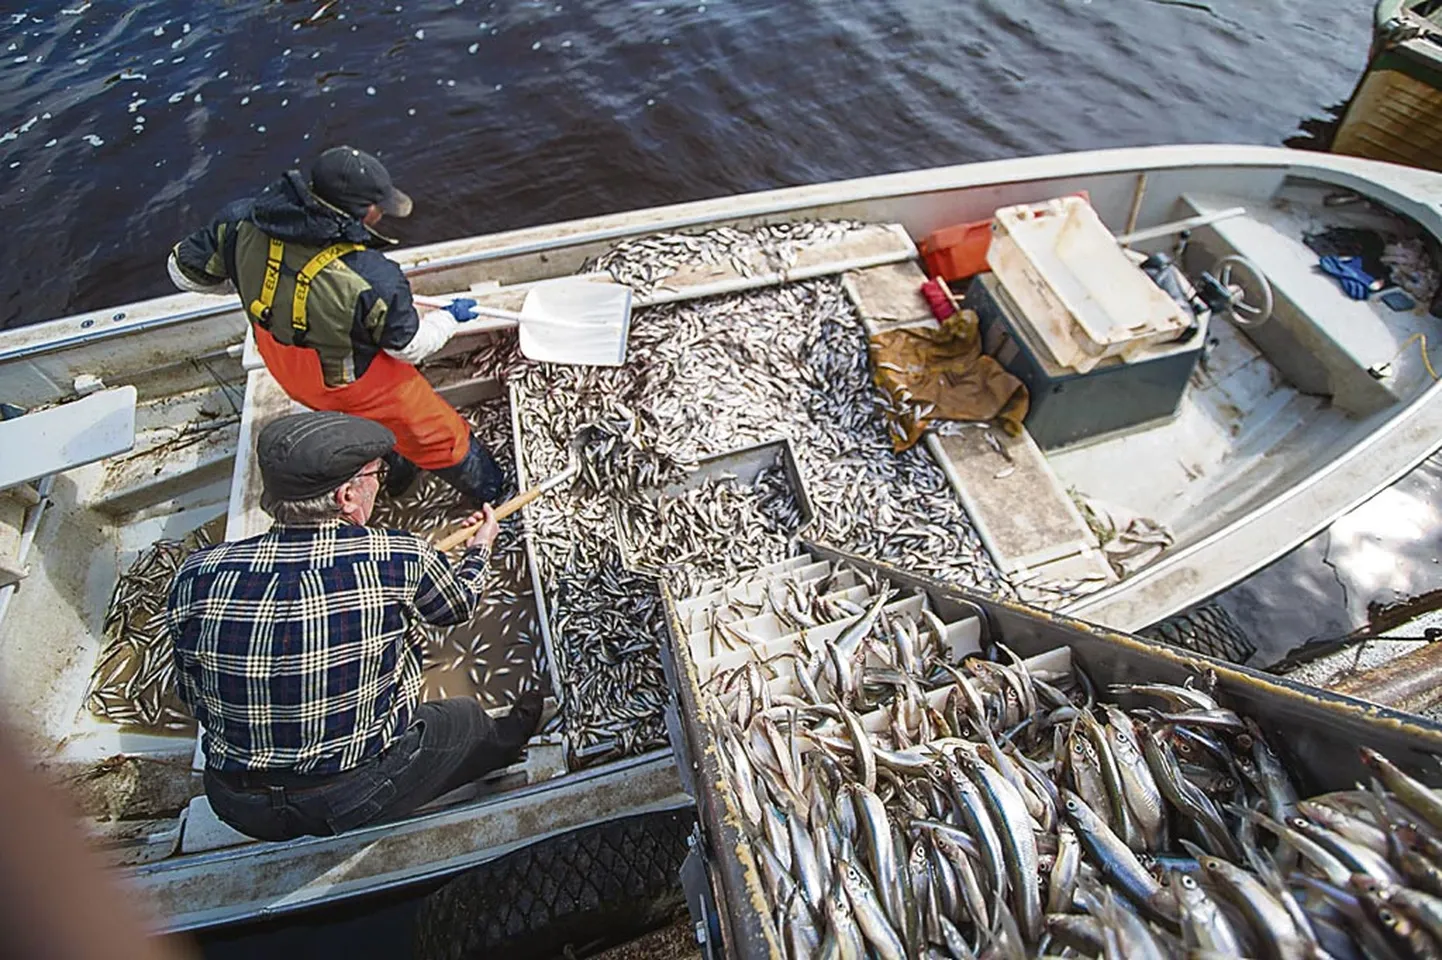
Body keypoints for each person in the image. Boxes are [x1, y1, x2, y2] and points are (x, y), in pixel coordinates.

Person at [165, 411, 544, 841]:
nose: (380, 484)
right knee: (465, 721)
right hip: (348, 798)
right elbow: (454, 608)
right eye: (377, 474)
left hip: (235, 804)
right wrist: (480, 549)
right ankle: (511, 738)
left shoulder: (196, 575)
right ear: (347, 496)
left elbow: (191, 697)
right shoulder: (397, 555)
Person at [167, 146, 507, 505]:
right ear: (365, 212)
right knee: (439, 435)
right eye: (380, 207)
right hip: (354, 385)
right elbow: (408, 349)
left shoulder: (238, 220)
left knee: (363, 429)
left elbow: (182, 272)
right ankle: (491, 492)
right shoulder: (372, 277)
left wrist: (247, 281)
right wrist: (449, 317)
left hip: (287, 369)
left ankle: (398, 464)